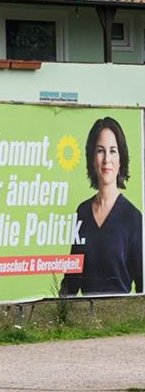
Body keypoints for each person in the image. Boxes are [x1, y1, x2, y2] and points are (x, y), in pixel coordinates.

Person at [61, 117, 143, 296]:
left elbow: (142, 284)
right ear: (92, 158)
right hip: (84, 318)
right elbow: (71, 280)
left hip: (120, 320)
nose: (107, 159)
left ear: (121, 159)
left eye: (113, 151)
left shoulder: (134, 218)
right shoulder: (82, 212)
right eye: (100, 151)